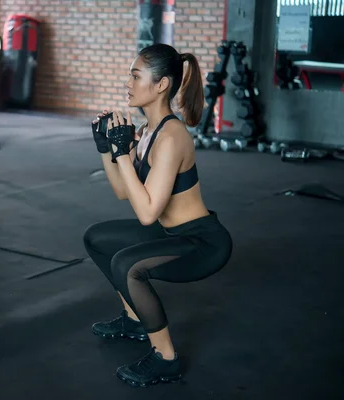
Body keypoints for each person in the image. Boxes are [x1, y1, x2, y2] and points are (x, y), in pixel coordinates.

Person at [84, 43, 233, 388]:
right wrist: (107, 150)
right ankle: (136, 320)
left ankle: (166, 358)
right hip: (171, 234)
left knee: (127, 266)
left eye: (136, 76)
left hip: (201, 242)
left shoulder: (171, 136)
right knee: (98, 238)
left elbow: (148, 213)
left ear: (162, 84)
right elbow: (125, 191)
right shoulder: (147, 132)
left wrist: (123, 154)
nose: (129, 83)